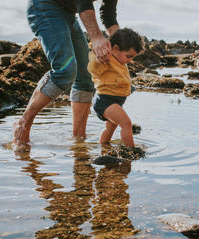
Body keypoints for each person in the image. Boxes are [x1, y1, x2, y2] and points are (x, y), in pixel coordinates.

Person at [13, 0, 120, 146]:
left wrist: (121, 43)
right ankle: (23, 122)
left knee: (85, 78)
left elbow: (108, 15)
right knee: (65, 71)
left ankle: (78, 139)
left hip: (69, 14)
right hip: (45, 6)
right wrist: (96, 37)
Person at [87, 28, 144, 147]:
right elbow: (93, 70)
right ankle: (131, 150)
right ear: (115, 49)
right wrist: (98, 59)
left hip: (115, 101)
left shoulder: (120, 61)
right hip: (105, 100)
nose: (129, 60)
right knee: (126, 123)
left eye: (132, 58)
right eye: (128, 56)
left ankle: (103, 145)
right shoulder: (106, 59)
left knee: (110, 126)